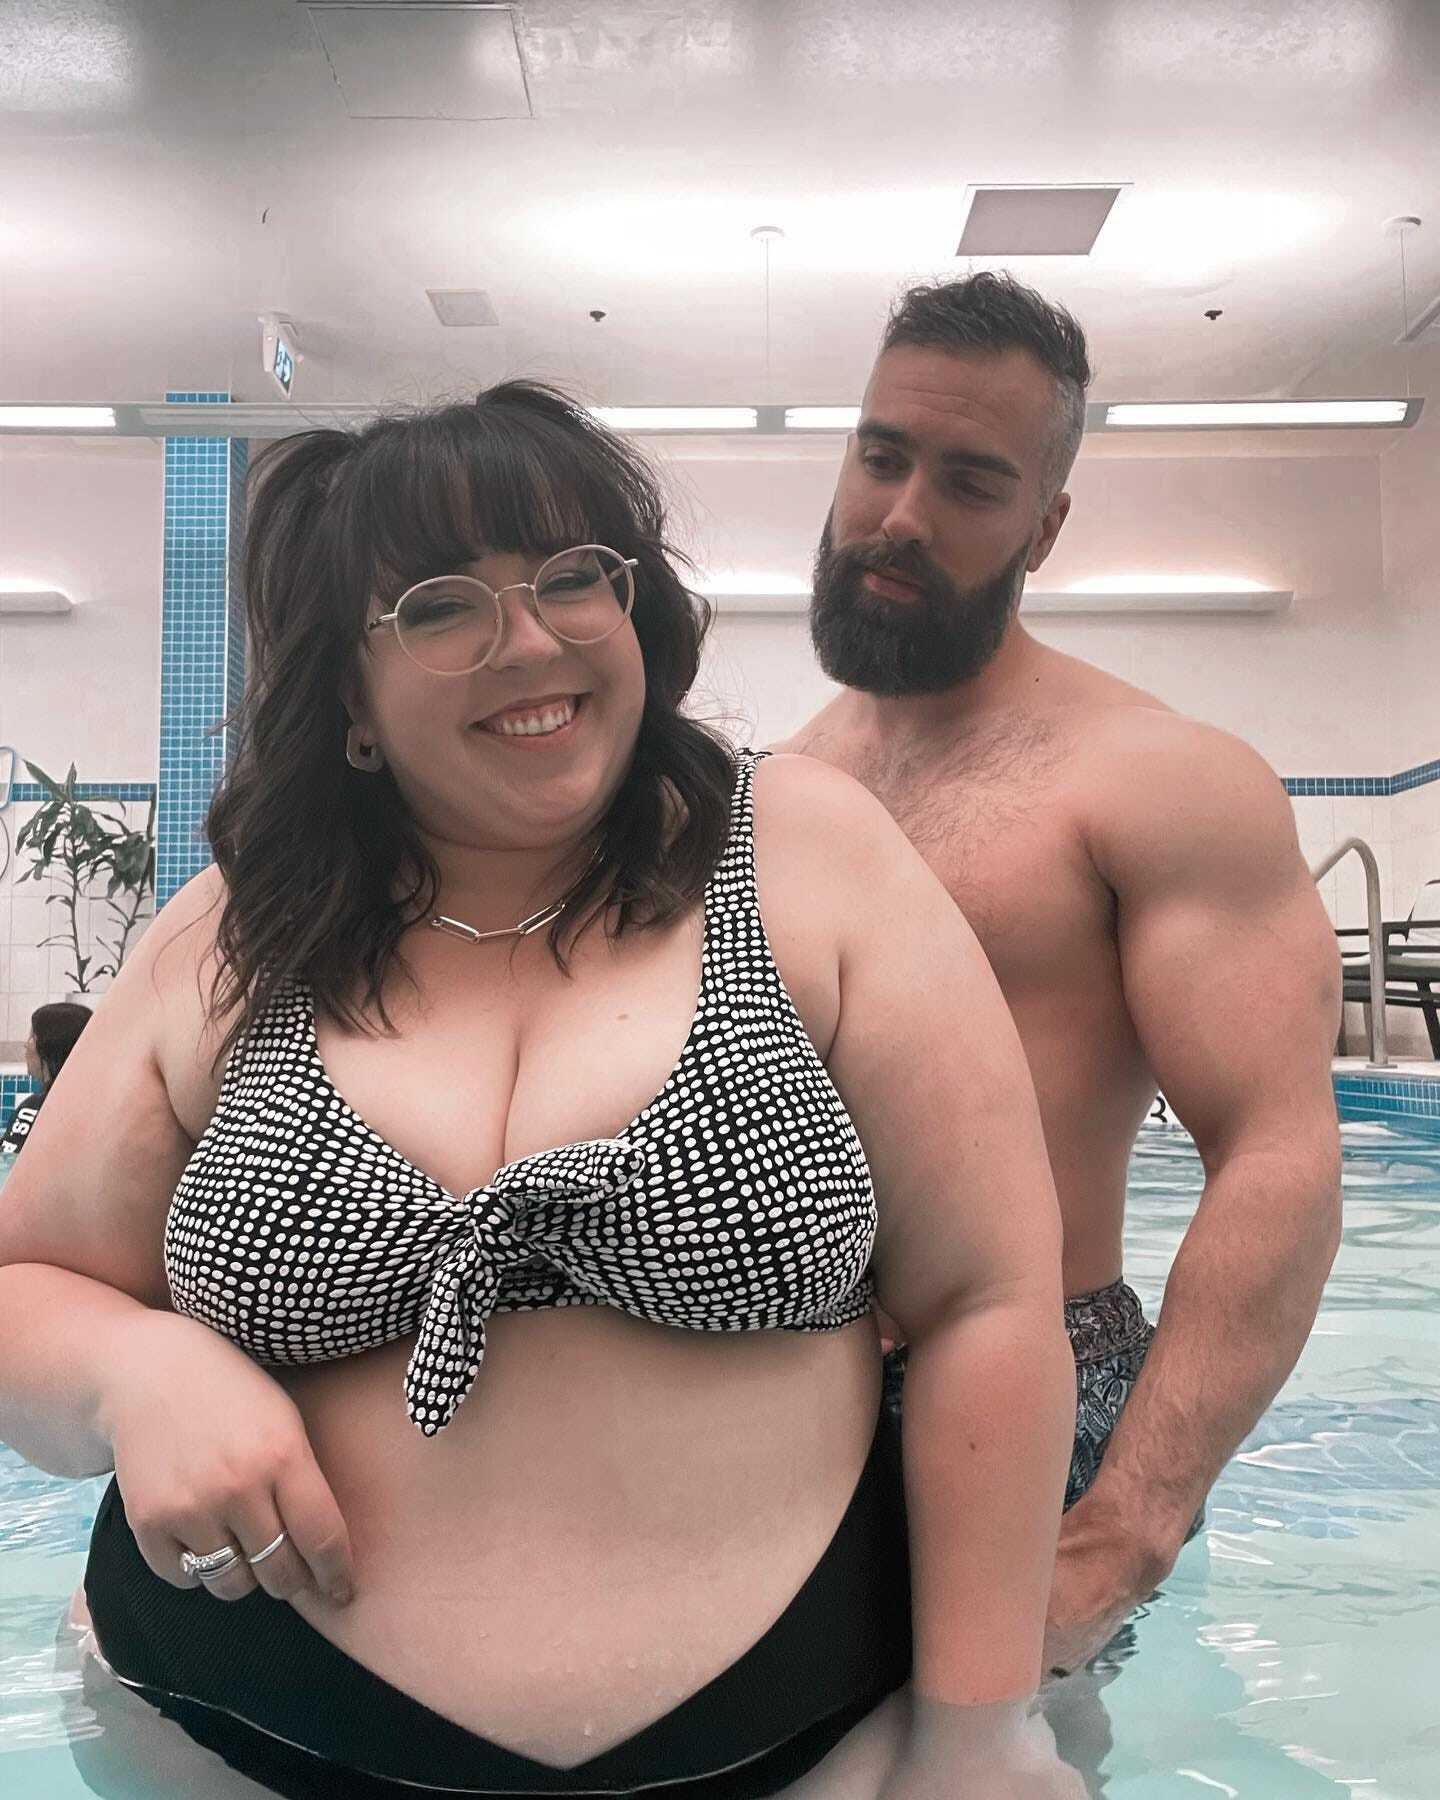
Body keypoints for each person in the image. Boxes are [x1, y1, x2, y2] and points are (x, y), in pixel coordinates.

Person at [0, 382, 1083, 1799]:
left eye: (574, 576)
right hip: (224, 1737)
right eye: (442, 605)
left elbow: (990, 1305)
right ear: (347, 692)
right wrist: (138, 1372)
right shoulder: (236, 934)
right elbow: (26, 1287)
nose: (531, 640)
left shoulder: (806, 853)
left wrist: (980, 1730)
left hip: (805, 1749)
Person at [782, 272, 1344, 1679]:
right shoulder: (783, 784)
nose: (902, 514)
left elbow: (1278, 1153)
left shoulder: (1159, 780)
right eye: (882, 456)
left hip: (1043, 1387)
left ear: (1045, 524)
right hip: (773, 1390)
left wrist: (1132, 1521)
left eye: (971, 482)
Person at [1, 1001, 93, 1156]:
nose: (26, 1045)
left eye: (32, 1037)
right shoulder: (89, 1115)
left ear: (51, 1047)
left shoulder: (35, 1108)